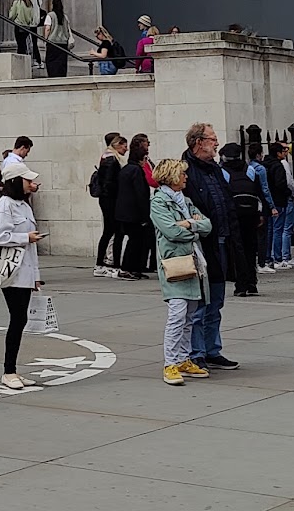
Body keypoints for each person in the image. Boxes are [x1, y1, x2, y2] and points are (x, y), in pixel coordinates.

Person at [150, 159, 215, 385]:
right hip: (176, 263)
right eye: (182, 174)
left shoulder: (185, 200)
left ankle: (182, 359)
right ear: (171, 176)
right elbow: (171, 231)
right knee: (177, 314)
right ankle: (170, 363)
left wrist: (189, 225)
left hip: (194, 262)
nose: (186, 177)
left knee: (190, 314)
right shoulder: (159, 202)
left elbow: (208, 224)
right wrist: (193, 227)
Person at [179, 125, 238, 369]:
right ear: (198, 142)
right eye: (213, 139)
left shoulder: (215, 170)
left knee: (216, 300)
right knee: (200, 303)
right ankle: (196, 352)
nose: (216, 144)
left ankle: (212, 349)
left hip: (221, 240)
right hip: (200, 245)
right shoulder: (185, 171)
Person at [0, 161, 43, 389]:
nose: (32, 183)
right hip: (11, 271)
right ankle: (9, 371)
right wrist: (24, 237)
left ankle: (12, 369)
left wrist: (36, 275)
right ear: (17, 181)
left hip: (24, 270)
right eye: (28, 180)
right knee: (17, 319)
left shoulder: (24, 205)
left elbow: (32, 246)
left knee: (20, 319)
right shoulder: (5, 205)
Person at [218, 141, 265, 298]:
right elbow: (259, 192)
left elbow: (223, 195)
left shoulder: (223, 172)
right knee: (251, 247)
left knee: (237, 248)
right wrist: (261, 213)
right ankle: (252, 283)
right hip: (251, 212)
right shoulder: (250, 169)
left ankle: (241, 284)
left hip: (234, 213)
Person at [115, 133, 155, 278]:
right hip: (133, 214)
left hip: (126, 212)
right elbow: (141, 195)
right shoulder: (135, 171)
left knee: (136, 241)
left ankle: (134, 268)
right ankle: (127, 268)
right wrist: (144, 215)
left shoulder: (127, 169)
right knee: (135, 241)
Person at [89, 133, 125, 275]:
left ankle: (103, 263)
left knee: (110, 231)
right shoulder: (111, 159)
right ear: (117, 145)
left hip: (107, 199)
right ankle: (110, 264)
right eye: (124, 145)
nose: (126, 149)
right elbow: (110, 183)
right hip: (110, 199)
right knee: (113, 231)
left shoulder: (108, 157)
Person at [263, 138, 294, 269]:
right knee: (279, 229)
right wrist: (288, 192)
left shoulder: (265, 164)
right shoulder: (278, 165)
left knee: (271, 229)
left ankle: (269, 257)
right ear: (278, 153)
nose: (285, 153)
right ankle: (278, 258)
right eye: (283, 150)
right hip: (279, 200)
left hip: (270, 200)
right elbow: (281, 183)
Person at [7, 0, 39, 67]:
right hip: (27, 26)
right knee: (26, 44)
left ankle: (20, 64)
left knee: (20, 45)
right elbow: (32, 16)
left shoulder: (17, 3)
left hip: (19, 25)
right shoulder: (29, 5)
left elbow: (11, 16)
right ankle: (27, 62)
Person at [41, 0, 70, 78]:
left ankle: (53, 76)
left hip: (52, 42)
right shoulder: (65, 17)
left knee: (51, 61)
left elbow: (47, 28)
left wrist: (45, 39)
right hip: (63, 42)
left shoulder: (50, 15)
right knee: (61, 62)